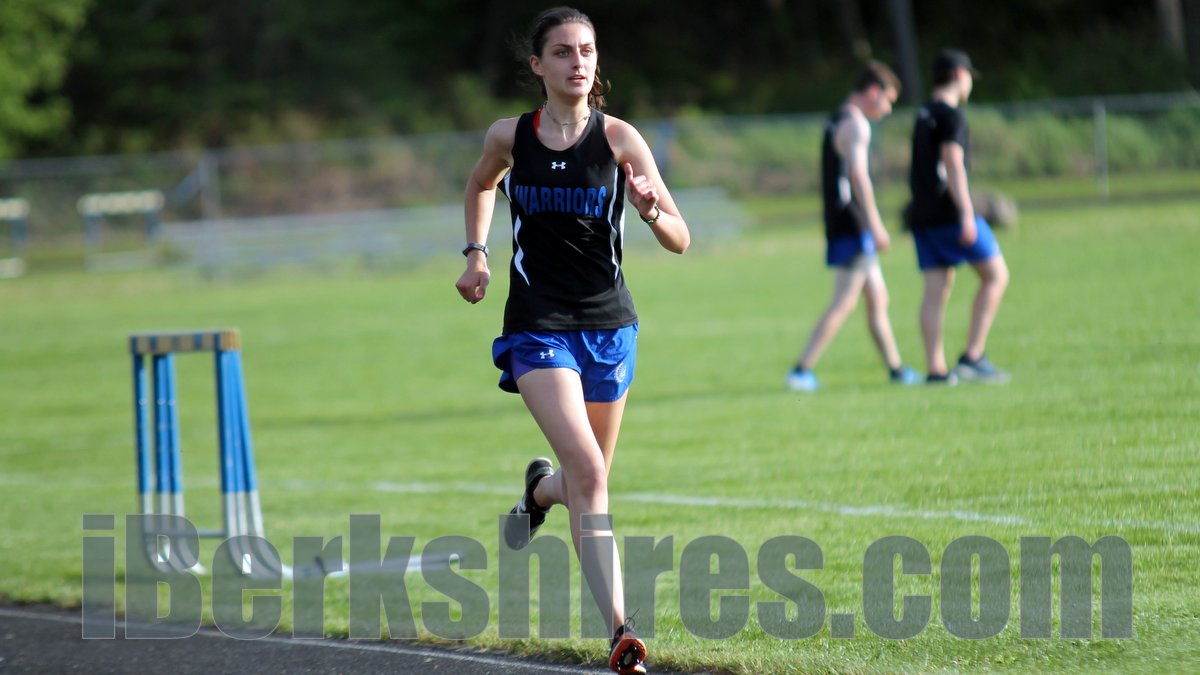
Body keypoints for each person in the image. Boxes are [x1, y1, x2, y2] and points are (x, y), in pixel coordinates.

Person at [454, 7, 689, 674]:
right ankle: (622, 632)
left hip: (611, 327)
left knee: (588, 480)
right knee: (588, 471)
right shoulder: (510, 136)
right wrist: (477, 253)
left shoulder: (619, 139)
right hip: (538, 326)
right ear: (537, 65)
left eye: (586, 50)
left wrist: (650, 209)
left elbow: (680, 238)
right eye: (562, 52)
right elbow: (481, 183)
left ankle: (539, 493)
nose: (577, 62)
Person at [786, 61, 920, 392]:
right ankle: (801, 370)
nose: (888, 109)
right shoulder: (857, 124)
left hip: (841, 220)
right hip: (853, 223)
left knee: (878, 298)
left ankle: (896, 369)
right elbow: (858, 176)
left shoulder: (837, 118)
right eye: (887, 100)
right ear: (873, 92)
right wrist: (875, 224)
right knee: (845, 301)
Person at [906, 49, 1010, 385]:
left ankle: (936, 370)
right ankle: (972, 356)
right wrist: (967, 213)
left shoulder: (923, 114)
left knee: (935, 290)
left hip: (922, 214)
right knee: (996, 275)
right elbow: (952, 161)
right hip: (951, 212)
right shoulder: (953, 115)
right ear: (960, 75)